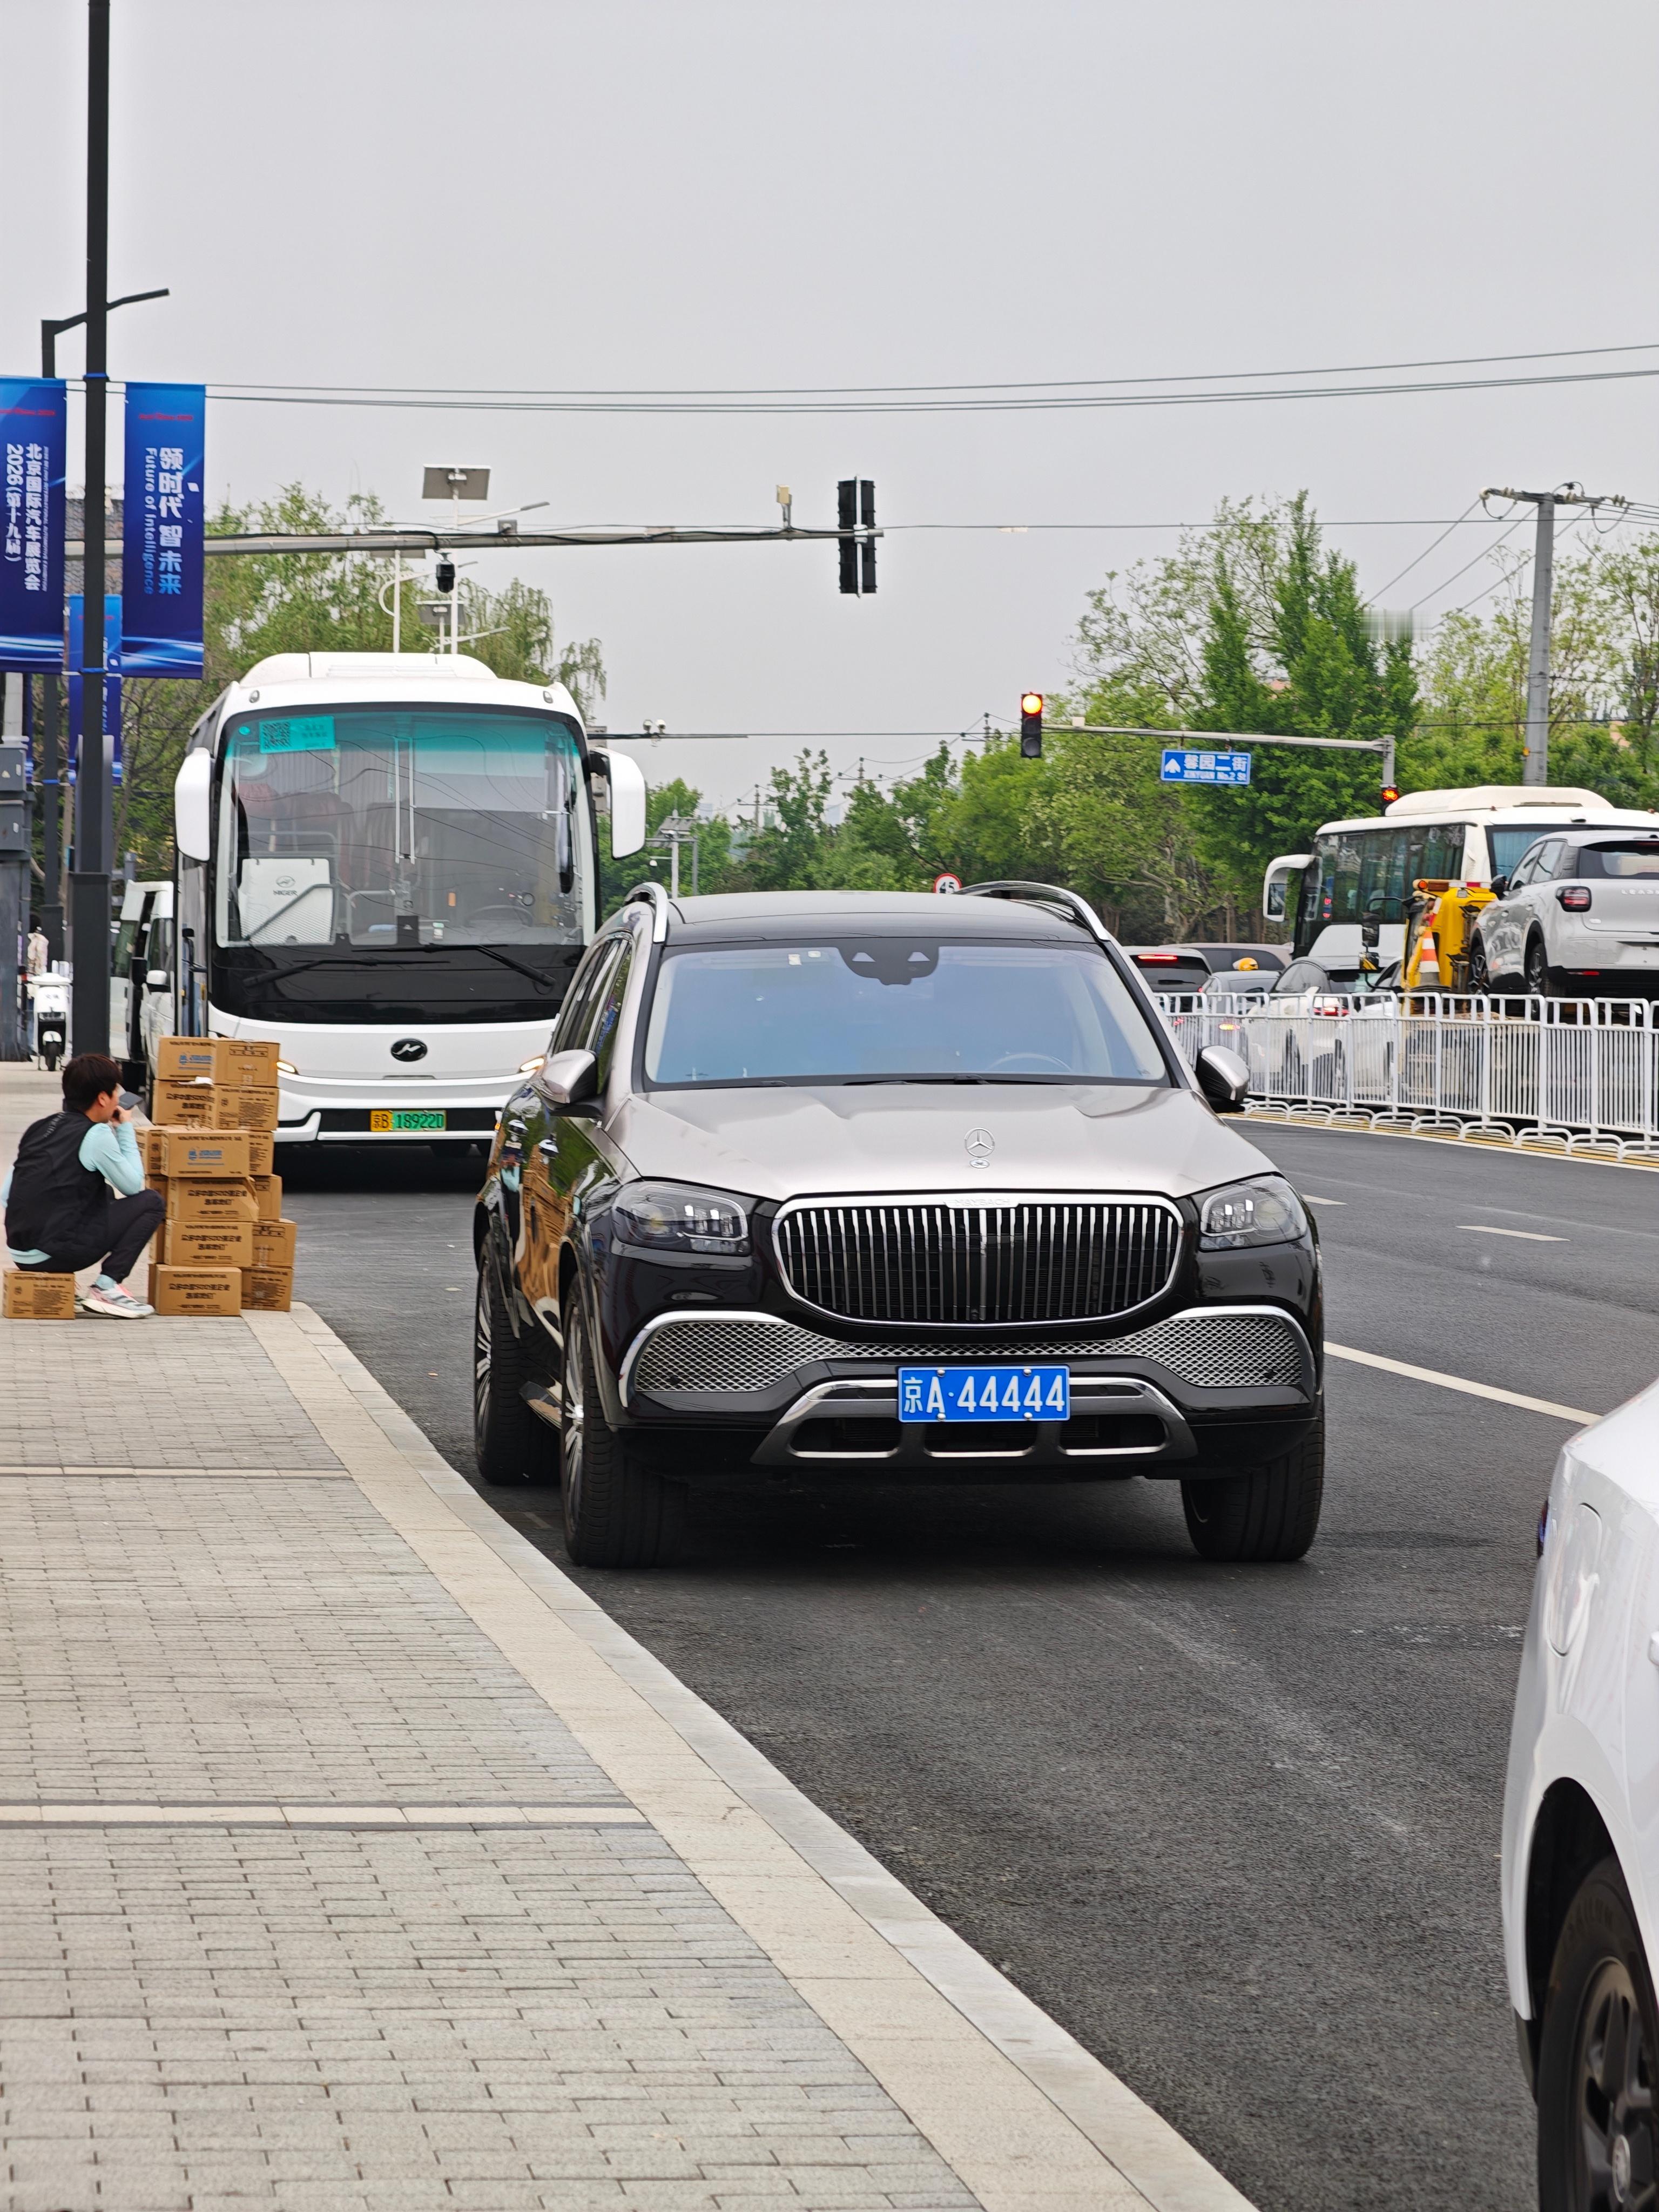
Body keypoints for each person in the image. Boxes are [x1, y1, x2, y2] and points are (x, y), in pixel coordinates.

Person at [3, 1052, 165, 1318]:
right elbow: (134, 1187)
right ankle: (108, 1285)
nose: (117, 1099)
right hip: (58, 1253)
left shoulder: (40, 1127)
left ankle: (64, 1278)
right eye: (115, 1093)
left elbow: (6, 1194)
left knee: (102, 1191)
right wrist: (124, 1128)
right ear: (103, 1099)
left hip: (22, 1254)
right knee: (151, 1203)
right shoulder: (96, 1134)